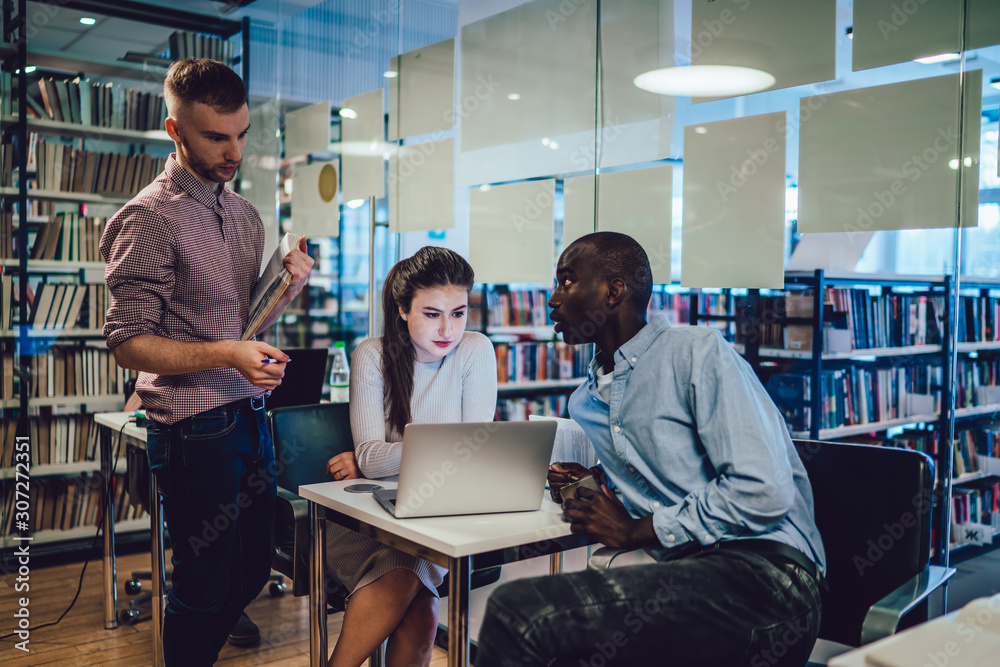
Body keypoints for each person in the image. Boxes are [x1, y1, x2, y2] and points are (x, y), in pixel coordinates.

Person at [476, 232, 825, 667]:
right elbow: (656, 481)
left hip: (768, 578)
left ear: (613, 292)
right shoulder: (586, 401)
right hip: (684, 576)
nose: (553, 298)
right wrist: (594, 483)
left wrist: (636, 531)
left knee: (519, 613)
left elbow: (764, 491)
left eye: (566, 281)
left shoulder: (696, 353)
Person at [101, 58, 313, 665]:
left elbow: (242, 328)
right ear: (175, 130)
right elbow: (126, 341)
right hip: (193, 429)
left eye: (242, 134)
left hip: (250, 417)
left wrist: (286, 290)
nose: (234, 152)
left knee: (256, 570)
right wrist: (229, 354)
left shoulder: (245, 216)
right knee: (203, 586)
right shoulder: (147, 217)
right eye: (216, 137)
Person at [323, 246, 498, 667]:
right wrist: (377, 458)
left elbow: (473, 456)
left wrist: (383, 457)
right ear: (402, 309)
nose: (448, 329)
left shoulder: (476, 350)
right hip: (369, 519)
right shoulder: (372, 355)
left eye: (459, 313)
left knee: (415, 593)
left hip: (437, 516)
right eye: (432, 313)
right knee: (419, 603)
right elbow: (371, 457)